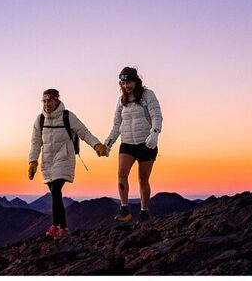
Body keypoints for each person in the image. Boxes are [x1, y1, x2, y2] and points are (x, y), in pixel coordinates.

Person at [28, 88, 108, 239]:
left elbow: (84, 132)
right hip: (47, 161)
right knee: (55, 193)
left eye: (49, 100)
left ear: (56, 100)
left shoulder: (68, 116)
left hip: (64, 158)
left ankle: (55, 226)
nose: (46, 104)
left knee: (56, 189)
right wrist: (32, 161)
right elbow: (35, 142)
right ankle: (63, 228)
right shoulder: (40, 120)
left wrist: (96, 145)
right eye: (44, 101)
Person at [104, 66, 164, 224]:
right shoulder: (121, 101)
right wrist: (109, 141)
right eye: (123, 83)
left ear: (136, 81)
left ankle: (144, 212)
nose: (127, 86)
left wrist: (155, 132)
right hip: (127, 143)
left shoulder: (147, 95)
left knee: (143, 179)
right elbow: (117, 124)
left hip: (146, 143)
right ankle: (124, 210)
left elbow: (157, 115)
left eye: (129, 82)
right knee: (121, 175)